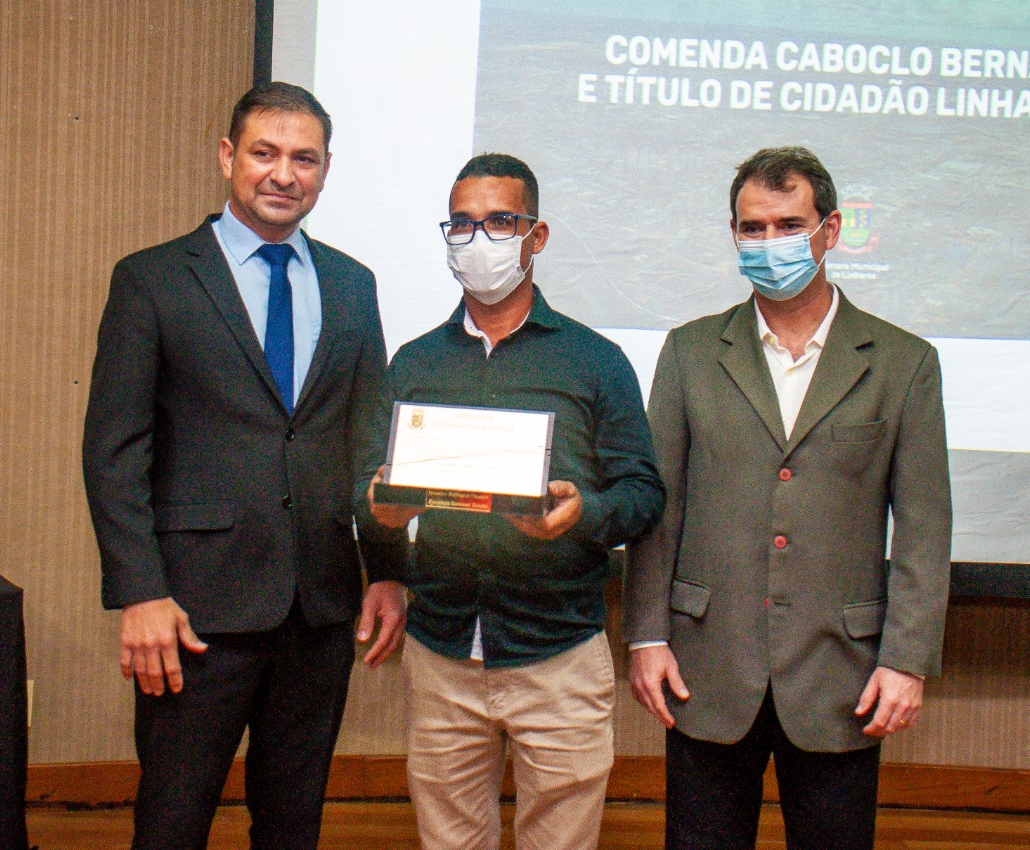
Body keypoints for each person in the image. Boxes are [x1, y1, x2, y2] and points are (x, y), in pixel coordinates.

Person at [82, 82, 406, 850]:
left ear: (326, 170)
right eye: (265, 153)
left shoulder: (353, 285)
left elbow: (371, 445)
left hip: (319, 605)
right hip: (194, 611)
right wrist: (140, 591)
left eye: (304, 158)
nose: (283, 174)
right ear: (228, 156)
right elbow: (114, 451)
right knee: (172, 821)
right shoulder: (153, 279)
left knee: (293, 822)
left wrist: (388, 570)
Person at [624, 146, 951, 850]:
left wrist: (906, 659)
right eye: (753, 228)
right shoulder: (689, 353)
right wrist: (647, 635)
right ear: (734, 234)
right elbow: (659, 508)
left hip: (844, 676)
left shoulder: (904, 363)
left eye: (788, 225)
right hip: (706, 668)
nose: (769, 242)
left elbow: (924, 529)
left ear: (830, 230)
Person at [360, 153, 665, 850]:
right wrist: (379, 511)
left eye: (500, 222)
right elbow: (366, 482)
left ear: (537, 236)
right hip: (441, 653)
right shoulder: (415, 362)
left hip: (558, 654)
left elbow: (643, 494)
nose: (479, 240)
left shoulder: (595, 360)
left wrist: (582, 514)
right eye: (462, 225)